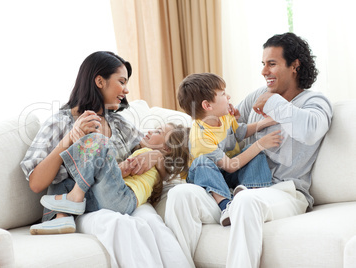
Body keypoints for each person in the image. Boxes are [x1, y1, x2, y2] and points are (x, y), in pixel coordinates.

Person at [164, 32, 333, 268]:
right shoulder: (257, 96)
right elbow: (225, 129)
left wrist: (272, 101)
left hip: (285, 191)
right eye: (263, 64)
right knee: (179, 195)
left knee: (246, 200)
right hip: (234, 190)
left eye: (271, 64)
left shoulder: (314, 102)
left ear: (295, 66)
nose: (264, 71)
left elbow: (311, 130)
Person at [20, 51, 190, 267]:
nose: (126, 90)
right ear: (100, 81)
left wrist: (155, 156)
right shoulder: (59, 123)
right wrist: (69, 139)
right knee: (119, 225)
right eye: (121, 82)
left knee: (152, 223)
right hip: (84, 206)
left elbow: (170, 160)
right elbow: (36, 183)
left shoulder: (120, 124)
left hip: (117, 195)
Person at [34, 122, 185, 232]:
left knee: (99, 141)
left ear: (167, 148)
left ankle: (75, 197)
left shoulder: (146, 154)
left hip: (122, 197)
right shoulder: (157, 165)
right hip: (108, 202)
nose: (151, 131)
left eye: (158, 131)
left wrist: (108, 163)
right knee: (63, 180)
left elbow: (125, 169)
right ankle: (60, 219)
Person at [177, 72, 281, 225]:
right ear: (207, 105)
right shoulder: (201, 138)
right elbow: (231, 166)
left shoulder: (223, 115)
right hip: (208, 175)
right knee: (202, 162)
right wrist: (260, 144)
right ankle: (226, 206)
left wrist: (265, 123)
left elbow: (239, 132)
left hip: (226, 171)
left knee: (255, 155)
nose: (229, 97)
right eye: (223, 94)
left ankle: (250, 194)